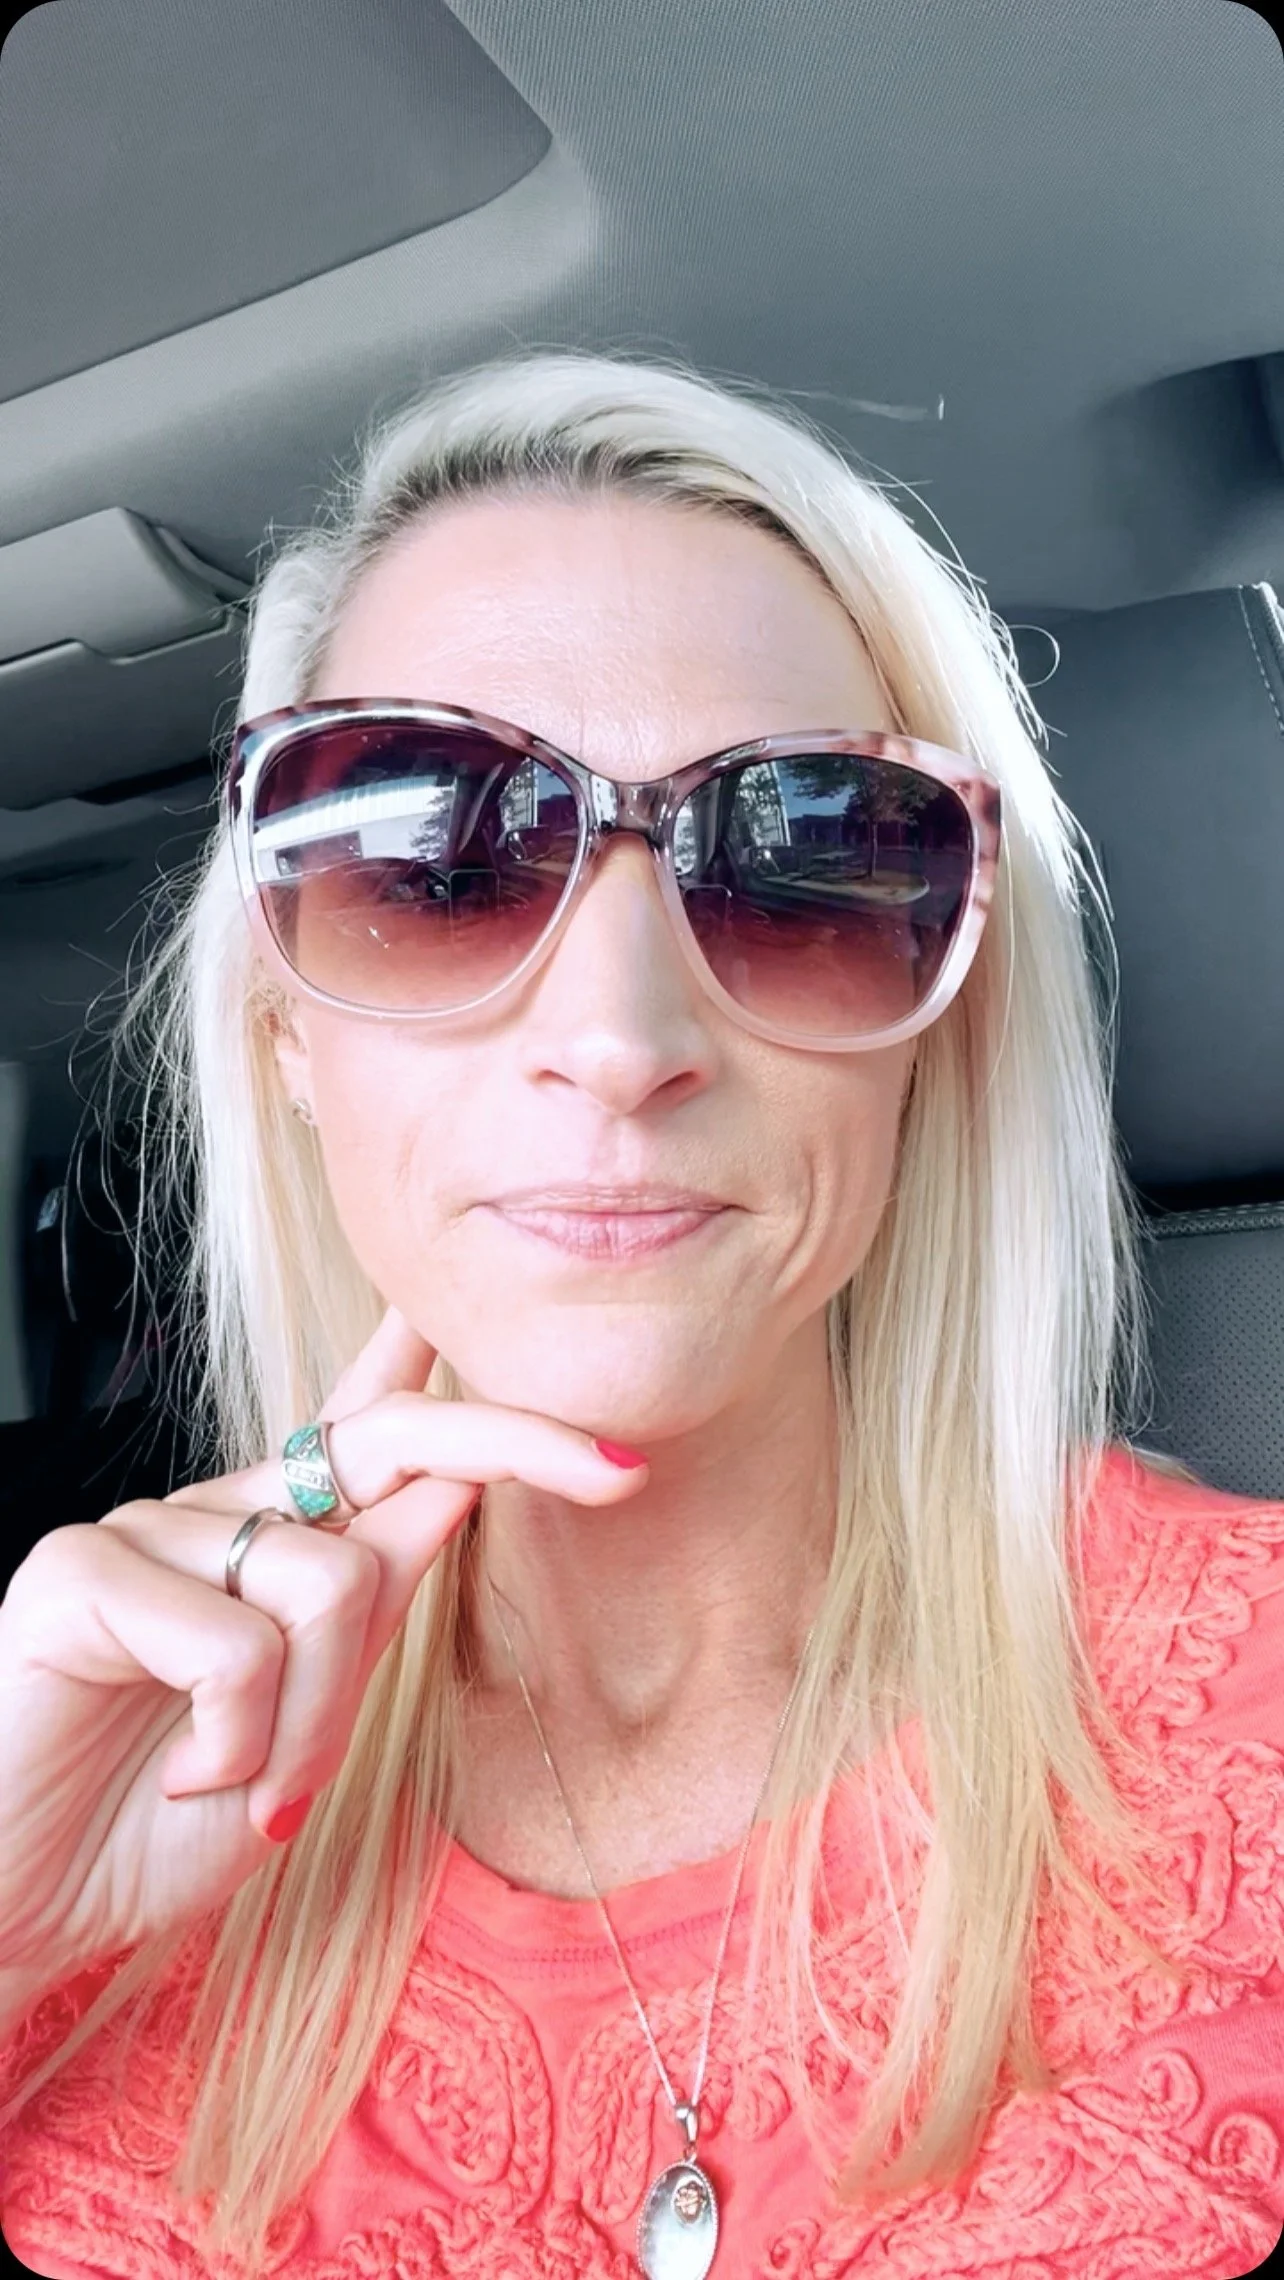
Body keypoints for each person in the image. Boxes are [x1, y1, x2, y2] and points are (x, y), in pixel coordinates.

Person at [1, 351, 1281, 2280]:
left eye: (805, 869)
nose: (618, 1041)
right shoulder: (75, 1775)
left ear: (933, 1028)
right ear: (281, 1034)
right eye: (433, 868)